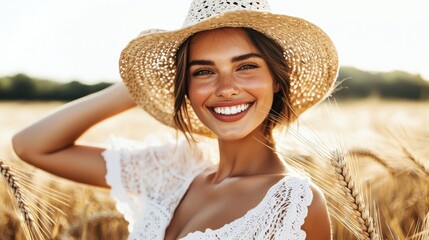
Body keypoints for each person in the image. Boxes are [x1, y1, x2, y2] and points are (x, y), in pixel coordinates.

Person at [12, 0, 339, 239]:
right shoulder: (173, 172)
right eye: (204, 72)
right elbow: (32, 146)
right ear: (183, 87)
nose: (226, 89)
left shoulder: (294, 202)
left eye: (246, 66)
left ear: (277, 80)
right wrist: (137, 85)